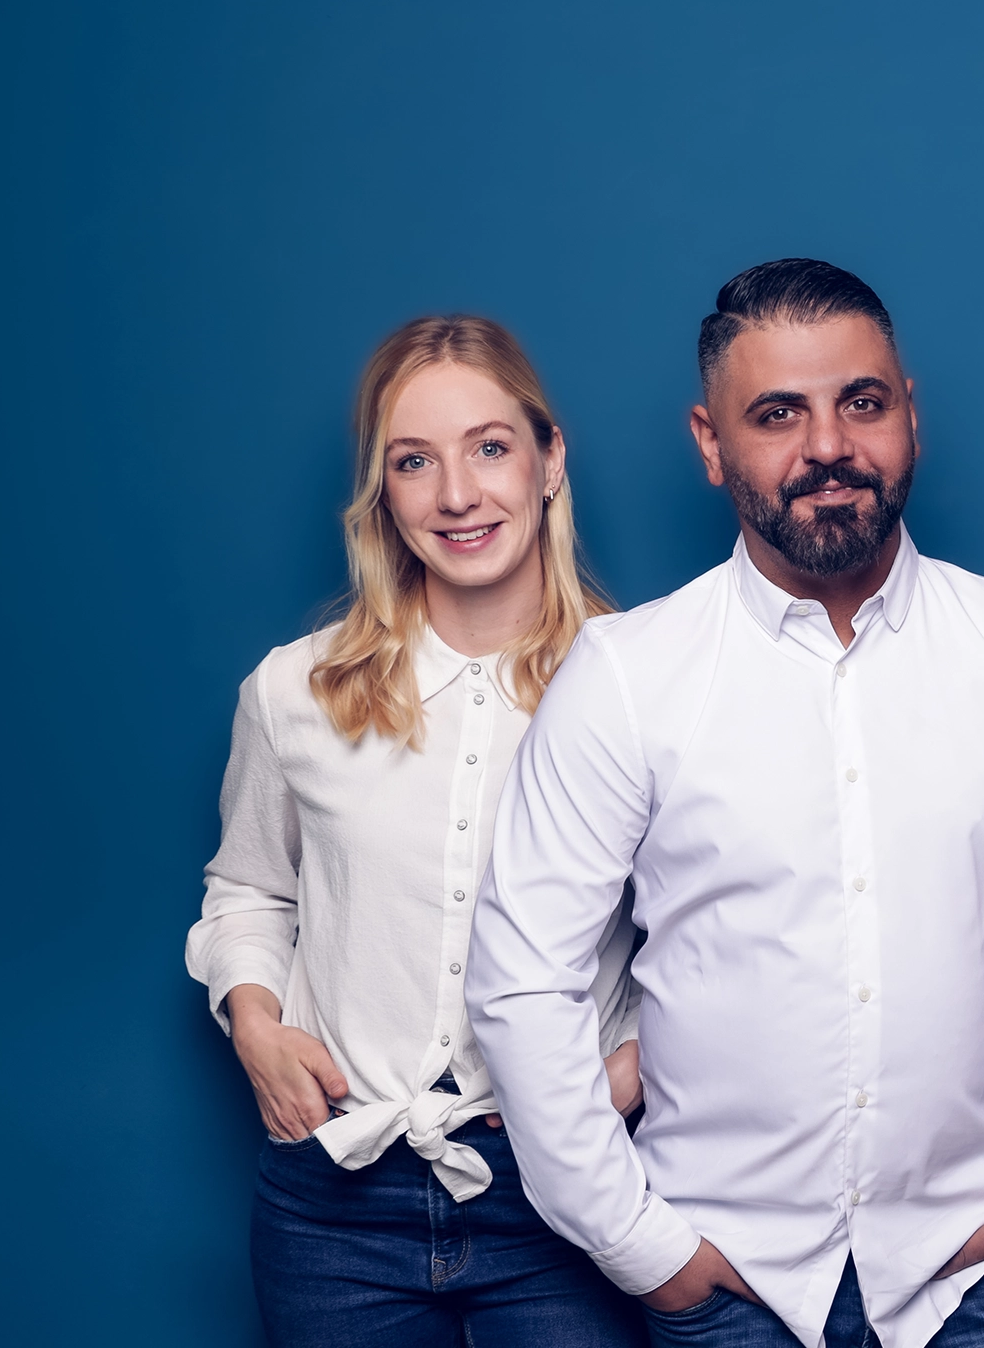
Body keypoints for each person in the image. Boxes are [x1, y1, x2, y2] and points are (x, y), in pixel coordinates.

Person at [464, 258, 984, 1348]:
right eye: (778, 414)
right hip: (723, 1277)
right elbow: (522, 982)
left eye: (863, 403)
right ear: (710, 444)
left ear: (910, 418)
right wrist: (638, 1244)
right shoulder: (625, 675)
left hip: (970, 1278)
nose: (829, 447)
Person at [186, 316, 647, 1346]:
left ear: (549, 460)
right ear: (382, 493)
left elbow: (727, 926)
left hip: (566, 1193)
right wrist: (255, 1024)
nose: (457, 495)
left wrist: (637, 1063)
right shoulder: (293, 691)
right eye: (414, 462)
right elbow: (250, 892)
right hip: (333, 1207)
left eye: (490, 447)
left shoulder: (644, 690)